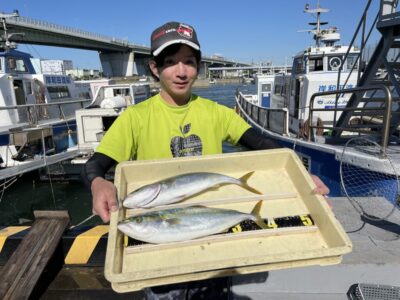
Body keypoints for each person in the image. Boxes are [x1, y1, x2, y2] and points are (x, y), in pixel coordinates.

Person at [82, 21, 329, 299]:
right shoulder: (134, 118)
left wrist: (301, 172)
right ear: (154, 68)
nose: (181, 71)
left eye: (189, 61)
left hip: (209, 237)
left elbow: (262, 145)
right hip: (161, 252)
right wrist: (97, 182)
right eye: (171, 62)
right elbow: (96, 164)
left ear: (198, 66)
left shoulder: (215, 112)